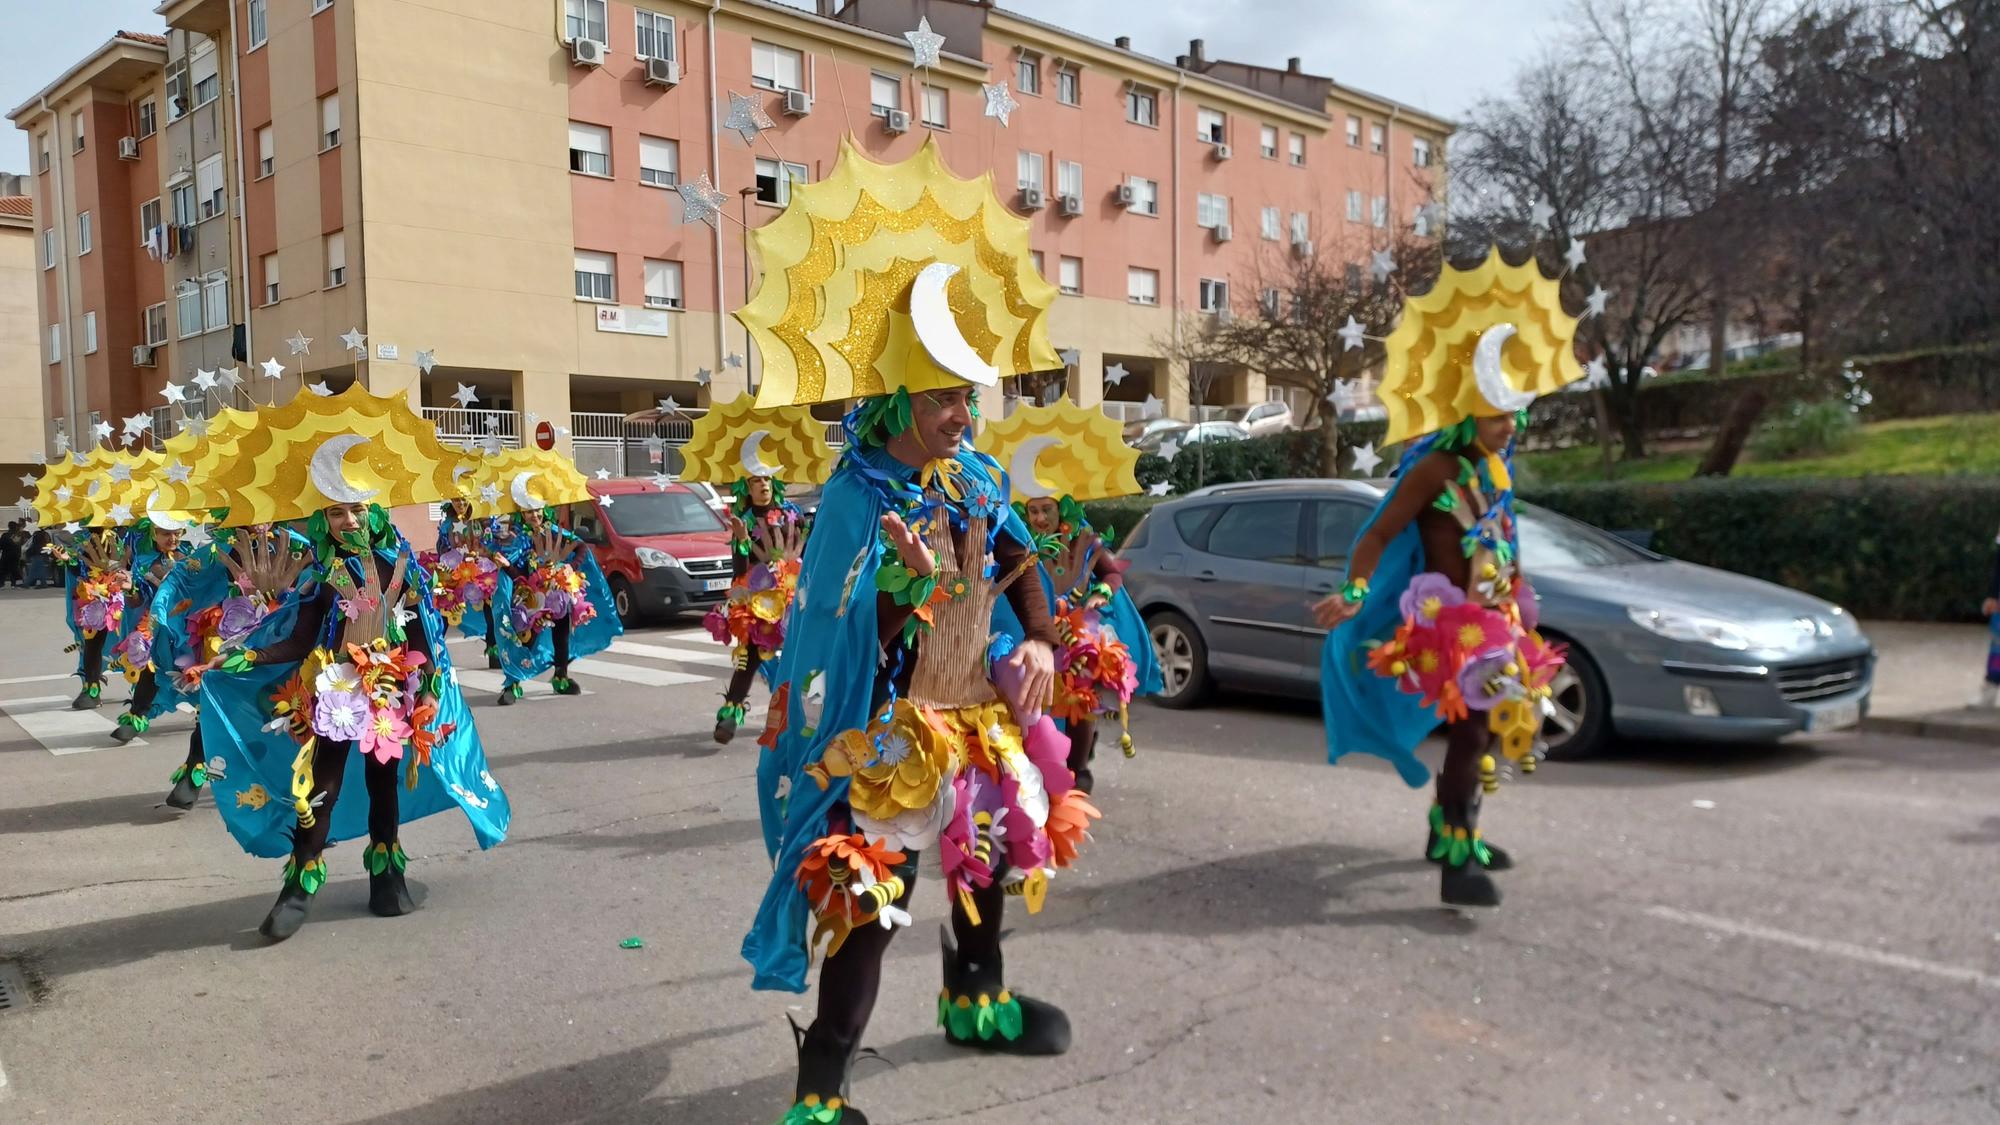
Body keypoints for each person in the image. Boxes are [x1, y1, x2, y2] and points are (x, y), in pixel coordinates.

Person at [737, 137, 1091, 1125]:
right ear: (895, 396)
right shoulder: (854, 499)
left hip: (972, 720)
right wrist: (912, 588)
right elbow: (838, 626)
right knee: (871, 913)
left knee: (984, 871)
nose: (962, 415)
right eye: (943, 397)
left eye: (968, 396)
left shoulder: (976, 475)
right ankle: (819, 1088)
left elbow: (1022, 568)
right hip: (887, 731)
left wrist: (1035, 640)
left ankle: (974, 998)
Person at [1314, 249, 1581, 908]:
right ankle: (1456, 851)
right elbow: (1376, 533)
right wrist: (1353, 592)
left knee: (1486, 731)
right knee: (1472, 731)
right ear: (1468, 413)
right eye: (1498, 416)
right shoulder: (1434, 469)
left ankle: (1450, 829)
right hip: (1449, 628)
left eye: (1515, 415)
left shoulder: (1495, 469)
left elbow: (1504, 545)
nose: (1510, 426)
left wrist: (1519, 605)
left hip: (1498, 623)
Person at [195, 503, 509, 940]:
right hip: (335, 690)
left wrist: (429, 694)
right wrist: (244, 656)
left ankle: (387, 873)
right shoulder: (320, 577)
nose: (350, 522)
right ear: (324, 521)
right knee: (322, 787)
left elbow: (425, 641)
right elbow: (300, 641)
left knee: (384, 781)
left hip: (389, 689)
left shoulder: (403, 570)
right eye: (337, 513)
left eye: (358, 510)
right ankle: (301, 883)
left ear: (375, 514)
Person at [707, 472, 808, 743]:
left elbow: (809, 552)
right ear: (747, 489)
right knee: (750, 655)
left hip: (797, 594)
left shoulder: (793, 514)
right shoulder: (745, 521)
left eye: (766, 479)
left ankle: (806, 714)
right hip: (763, 598)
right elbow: (739, 571)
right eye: (755, 481)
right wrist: (741, 541)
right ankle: (730, 715)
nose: (762, 484)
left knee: (807, 654)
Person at [1, 519, 23, 587]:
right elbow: (19, 544)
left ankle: (1, 583)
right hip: (16, 555)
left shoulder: (5, 535)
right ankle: (14, 583)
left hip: (6, 555)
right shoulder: (18, 535)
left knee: (3, 569)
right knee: (14, 569)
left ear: (9, 527)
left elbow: (1, 545)